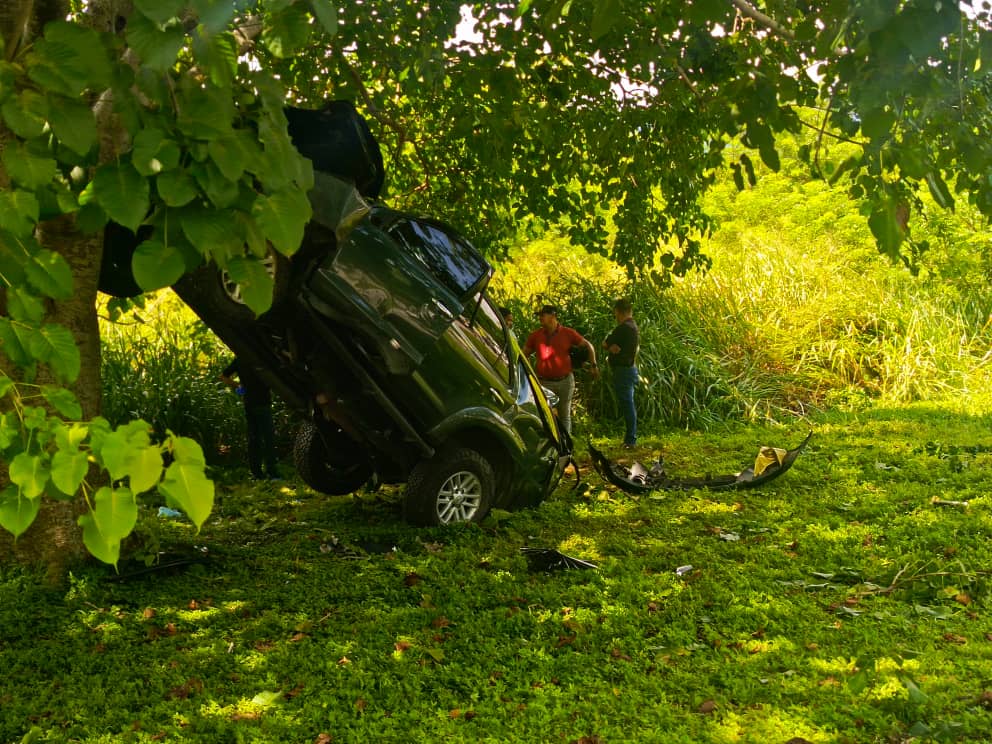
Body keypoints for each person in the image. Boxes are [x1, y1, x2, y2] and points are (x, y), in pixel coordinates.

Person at [523, 305, 598, 434]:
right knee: (545, 415)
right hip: (543, 382)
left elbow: (588, 346)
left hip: (565, 381)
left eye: (543, 315)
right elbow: (524, 354)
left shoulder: (568, 333)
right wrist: (527, 373)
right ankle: (551, 445)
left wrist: (593, 365)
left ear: (553, 316)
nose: (540, 318)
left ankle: (566, 446)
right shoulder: (535, 335)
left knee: (564, 416)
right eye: (539, 315)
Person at [221, 357, 280, 480]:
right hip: (262, 403)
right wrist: (239, 386)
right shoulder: (259, 356)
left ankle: (257, 473)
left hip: (250, 403)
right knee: (268, 438)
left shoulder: (240, 360)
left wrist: (239, 387)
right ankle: (272, 473)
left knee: (254, 439)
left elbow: (223, 376)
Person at [602, 298, 640, 449]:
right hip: (629, 369)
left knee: (627, 404)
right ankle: (630, 438)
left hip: (623, 371)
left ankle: (631, 439)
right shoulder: (633, 327)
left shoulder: (623, 328)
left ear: (618, 311)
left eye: (615, 313)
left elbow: (605, 343)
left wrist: (610, 345)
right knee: (628, 403)